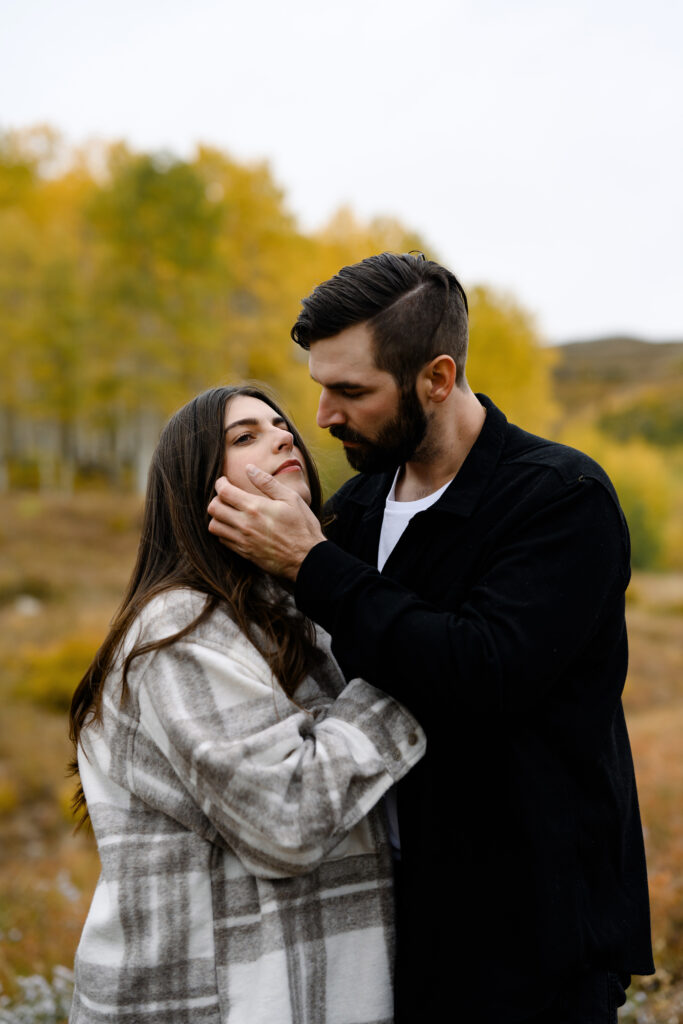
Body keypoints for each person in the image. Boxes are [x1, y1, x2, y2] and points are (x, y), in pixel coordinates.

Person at [207, 254, 655, 1023]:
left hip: (535, 943)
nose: (322, 416)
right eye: (319, 386)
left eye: (350, 391)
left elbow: (481, 672)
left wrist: (312, 563)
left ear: (436, 379)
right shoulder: (357, 505)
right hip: (396, 928)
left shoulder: (558, 500)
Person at [68, 384, 426, 1024]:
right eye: (245, 437)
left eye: (281, 425)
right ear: (200, 486)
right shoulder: (177, 632)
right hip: (204, 1000)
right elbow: (286, 819)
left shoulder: (296, 615)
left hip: (305, 989)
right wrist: (414, 664)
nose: (285, 436)